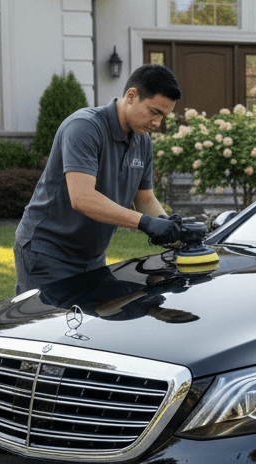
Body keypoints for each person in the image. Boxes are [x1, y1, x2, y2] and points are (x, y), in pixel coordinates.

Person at [14, 64, 188, 294]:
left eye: (163, 116)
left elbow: (144, 198)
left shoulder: (142, 140)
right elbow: (82, 198)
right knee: (50, 328)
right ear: (131, 95)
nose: (158, 123)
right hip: (47, 252)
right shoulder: (85, 127)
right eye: (154, 111)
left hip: (92, 256)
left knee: (89, 328)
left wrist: (167, 226)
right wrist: (146, 223)